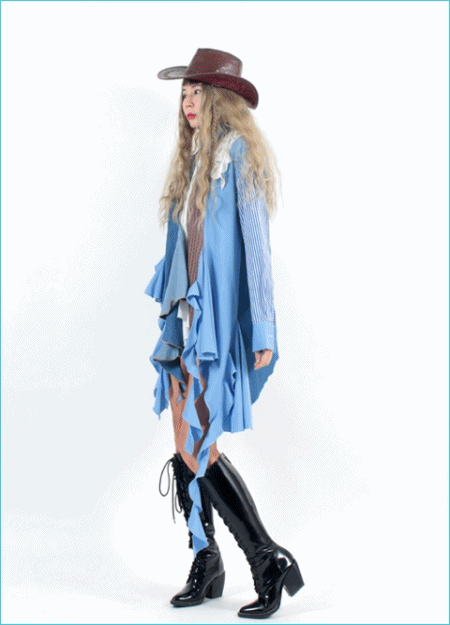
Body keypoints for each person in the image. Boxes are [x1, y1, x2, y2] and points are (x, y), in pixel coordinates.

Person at [145, 48, 304, 619]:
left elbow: (256, 250)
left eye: (198, 92)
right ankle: (206, 558)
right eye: (185, 93)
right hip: (185, 320)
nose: (189, 102)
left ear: (220, 100)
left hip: (215, 323)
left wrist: (263, 328)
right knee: (182, 438)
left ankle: (267, 558)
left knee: (200, 442)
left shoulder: (237, 156)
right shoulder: (191, 161)